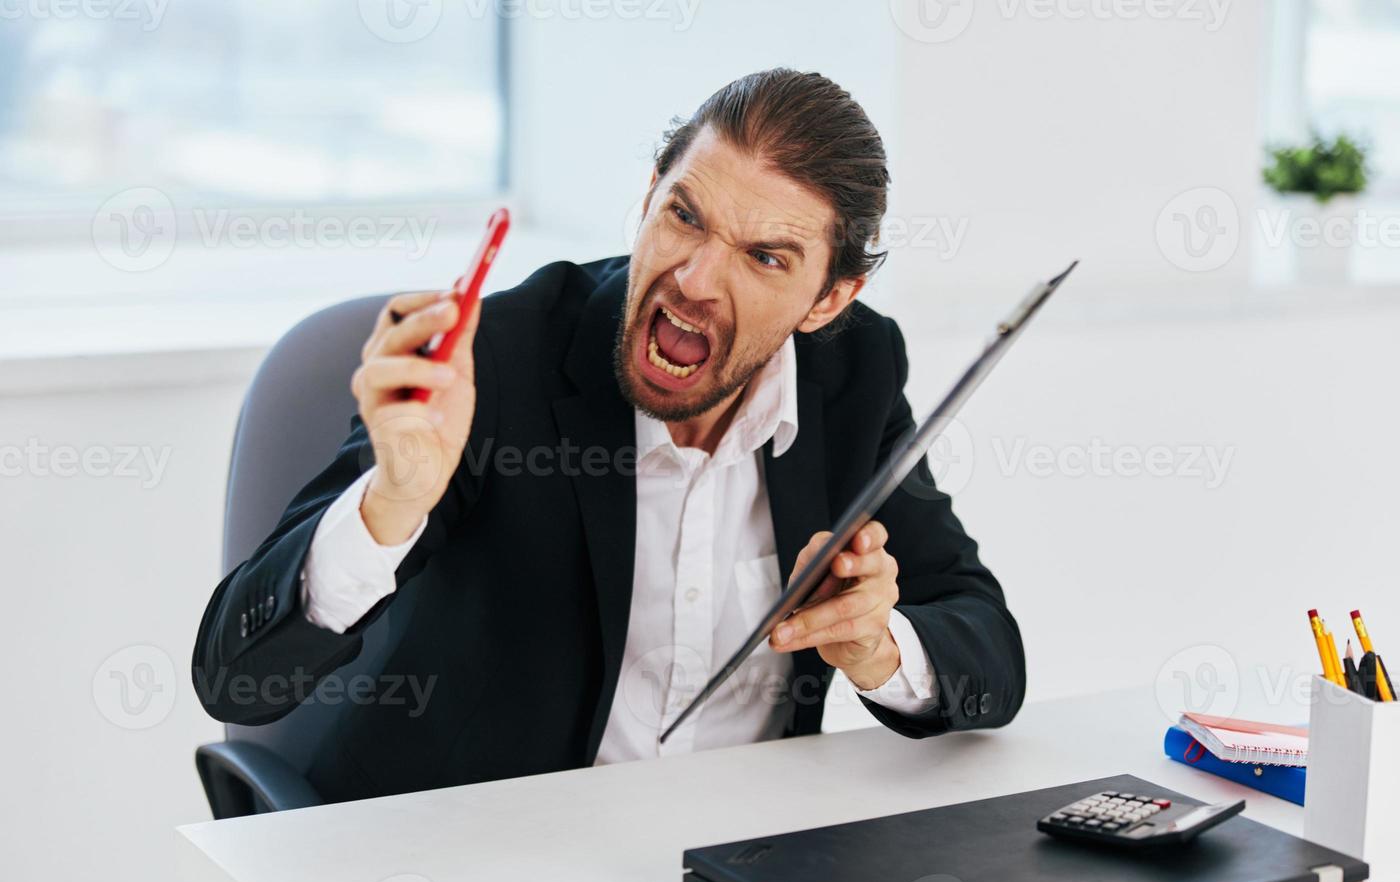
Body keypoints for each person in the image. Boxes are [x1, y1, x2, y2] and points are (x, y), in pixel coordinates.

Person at [192, 68, 1024, 803]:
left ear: (828, 301)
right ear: (650, 192)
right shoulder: (503, 358)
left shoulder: (856, 375)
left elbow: (987, 646)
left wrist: (881, 649)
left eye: (765, 258)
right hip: (476, 872)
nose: (697, 280)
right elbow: (236, 677)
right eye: (686, 215)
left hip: (733, 870)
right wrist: (393, 501)